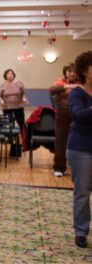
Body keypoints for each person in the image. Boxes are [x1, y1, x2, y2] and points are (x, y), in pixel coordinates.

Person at [66, 50, 92, 249]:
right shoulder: (77, 92)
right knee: (82, 192)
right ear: (85, 70)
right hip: (81, 148)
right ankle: (81, 232)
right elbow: (78, 114)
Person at [49, 63, 78, 177]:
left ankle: (76, 167)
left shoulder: (81, 83)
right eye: (69, 71)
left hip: (78, 115)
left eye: (74, 71)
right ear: (65, 72)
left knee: (77, 141)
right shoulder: (60, 82)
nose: (71, 73)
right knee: (61, 141)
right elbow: (51, 90)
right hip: (62, 115)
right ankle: (59, 168)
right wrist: (67, 86)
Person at [0, 68, 29, 157]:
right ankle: (9, 141)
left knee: (21, 124)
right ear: (5, 76)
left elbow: (24, 93)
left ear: (13, 75)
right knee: (8, 125)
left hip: (18, 106)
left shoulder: (19, 83)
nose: (10, 75)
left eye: (11, 74)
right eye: (8, 74)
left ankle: (24, 141)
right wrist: (1, 101)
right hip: (7, 107)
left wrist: (24, 98)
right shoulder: (3, 85)